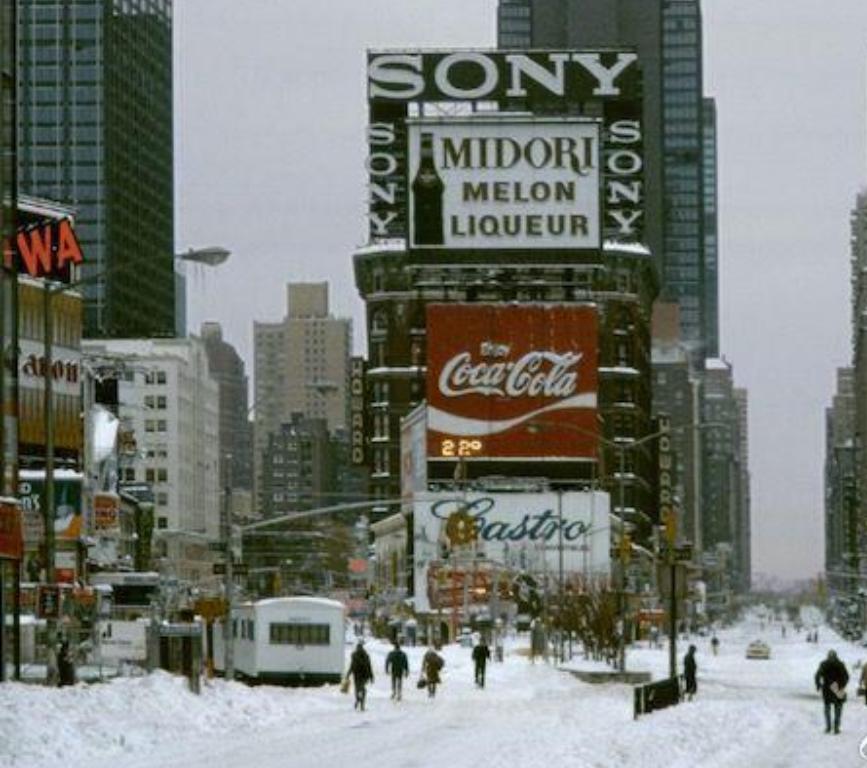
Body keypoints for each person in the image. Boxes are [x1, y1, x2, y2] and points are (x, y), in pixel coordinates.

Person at [815, 649, 849, 734]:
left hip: (827, 687)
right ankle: (836, 728)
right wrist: (842, 686)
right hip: (837, 687)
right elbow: (846, 676)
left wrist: (818, 685)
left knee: (827, 708)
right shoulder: (840, 664)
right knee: (838, 708)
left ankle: (828, 727)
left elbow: (817, 675)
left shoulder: (823, 664)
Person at [348, 641, 374, 711]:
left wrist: (348, 674)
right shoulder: (366, 655)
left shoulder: (354, 655)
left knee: (357, 689)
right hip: (364, 675)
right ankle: (362, 704)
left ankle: (358, 699)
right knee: (363, 689)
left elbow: (352, 665)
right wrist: (371, 676)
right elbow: (369, 666)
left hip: (356, 675)